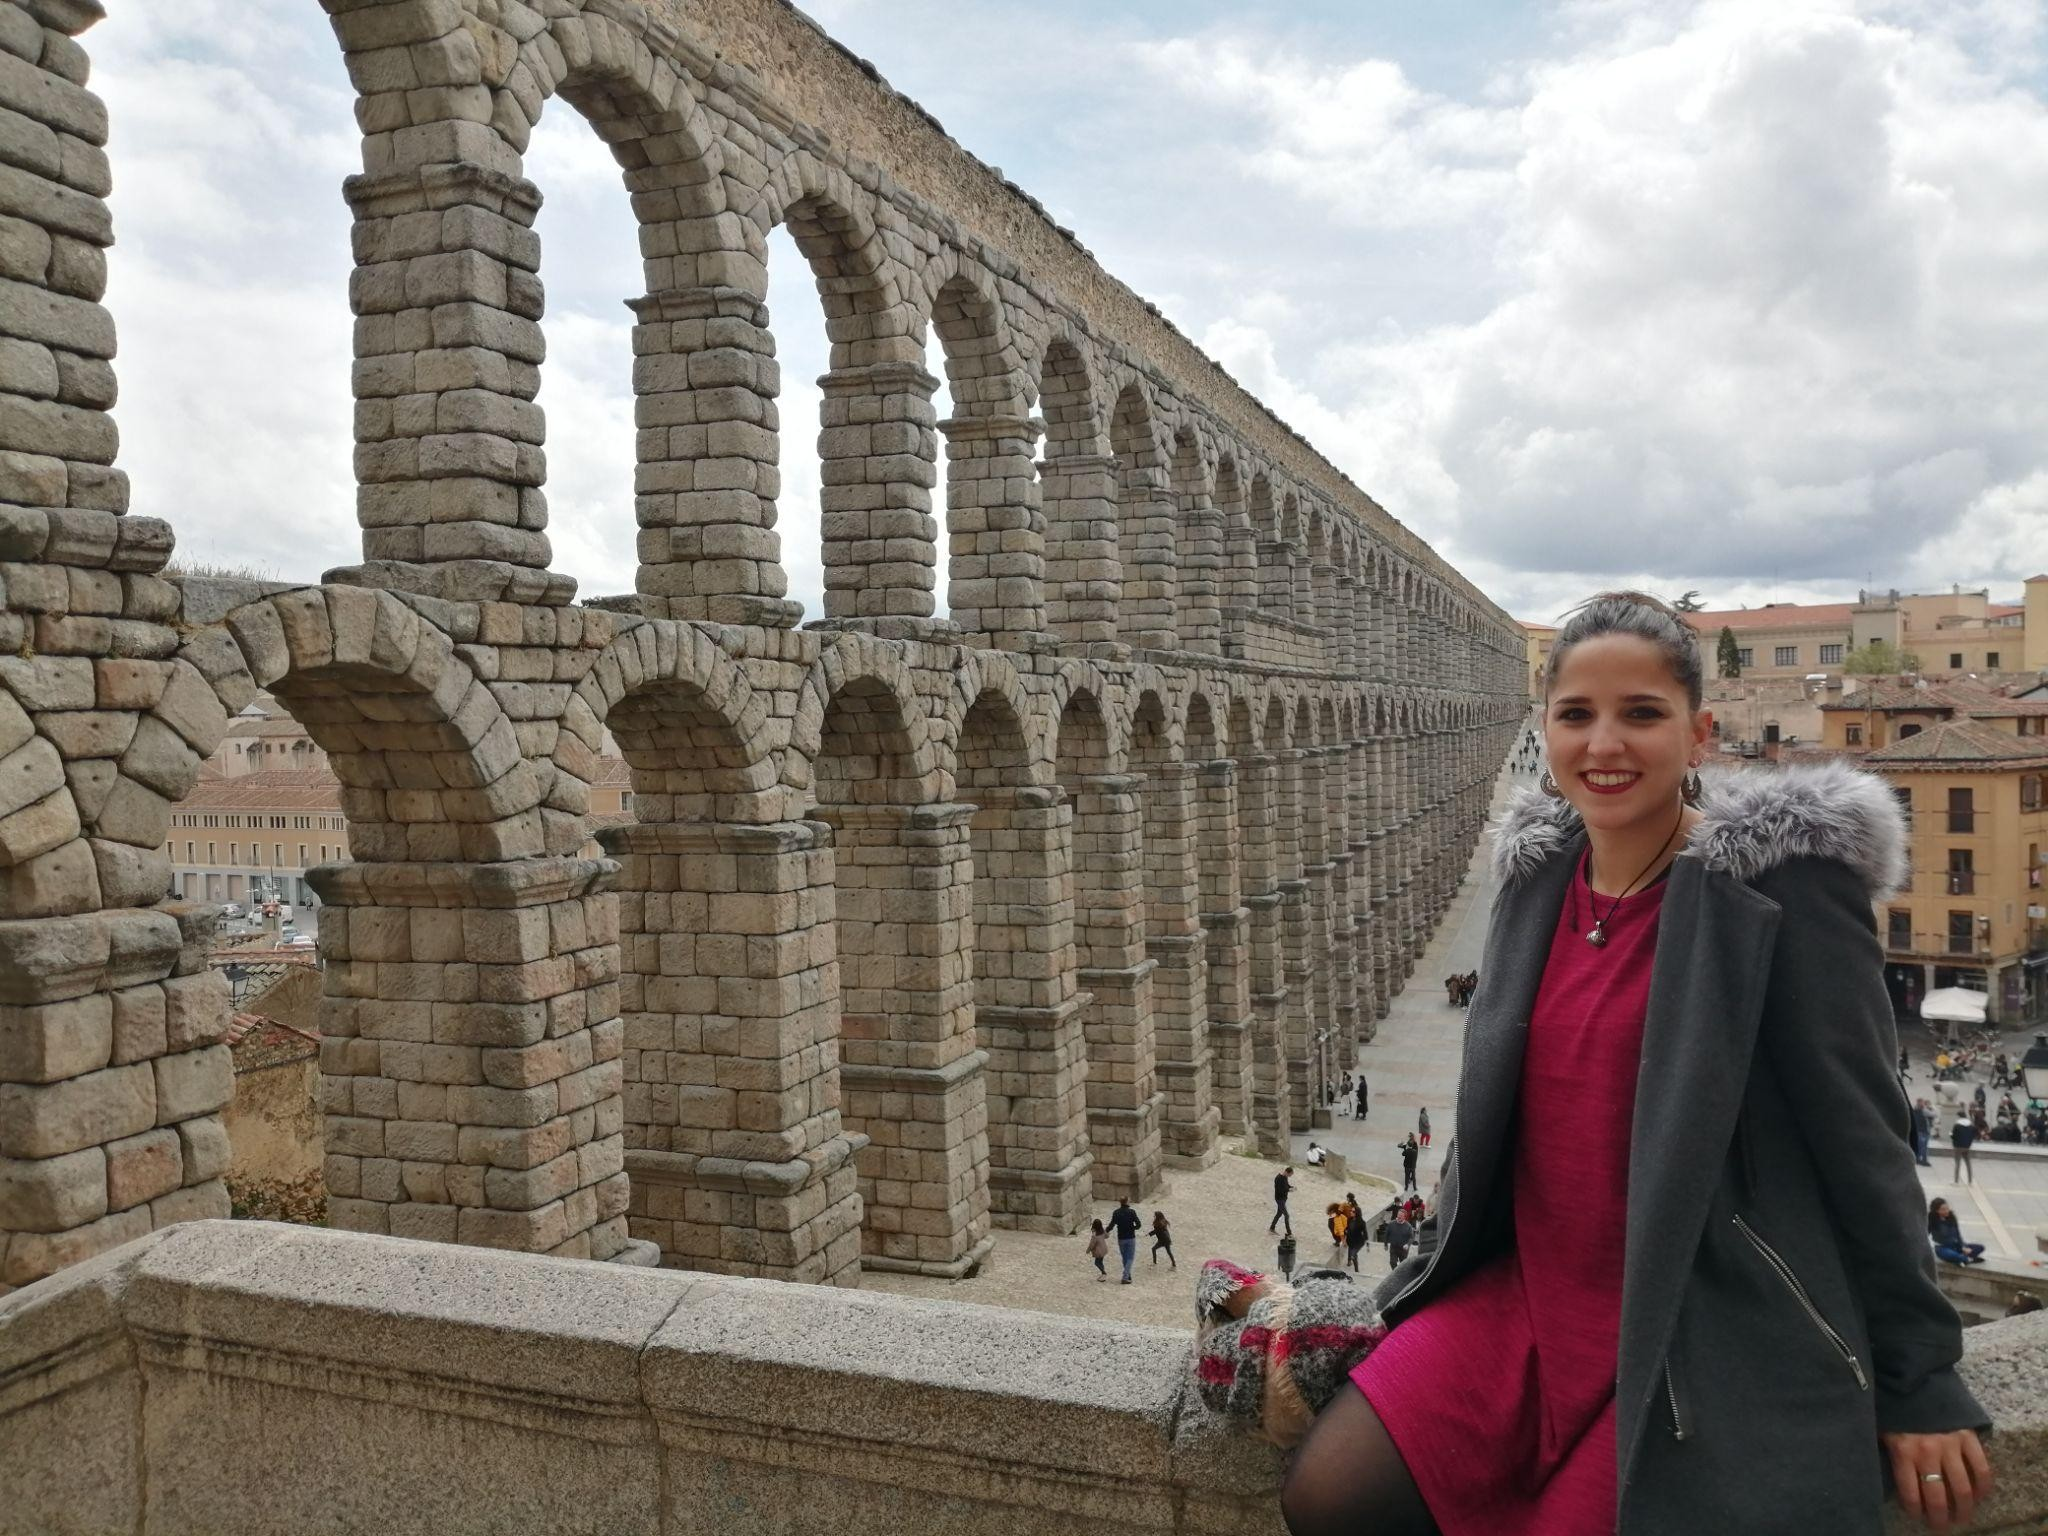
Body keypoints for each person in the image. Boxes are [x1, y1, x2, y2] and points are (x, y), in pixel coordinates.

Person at [1281, 592, 1989, 1536]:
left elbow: (1864, 1139)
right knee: (1329, 1495)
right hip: (1530, 1295)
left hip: (1697, 1320)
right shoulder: (1536, 882)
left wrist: (1921, 1377)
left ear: (1699, 735)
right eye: (1576, 715)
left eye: (1641, 714)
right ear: (1544, 729)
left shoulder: (1777, 897)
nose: (1604, 744)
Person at [1927, 1199, 1986, 1266]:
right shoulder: (1932, 1221)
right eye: (1943, 1209)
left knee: (1981, 1247)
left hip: (1956, 1246)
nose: (1946, 1211)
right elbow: (1925, 1235)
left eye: (1947, 1208)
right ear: (1936, 1210)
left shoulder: (1951, 1218)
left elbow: (1958, 1235)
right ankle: (1967, 1259)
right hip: (1943, 1248)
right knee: (1953, 1255)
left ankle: (1963, 1260)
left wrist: (1963, 1247)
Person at [1105, 1197, 1142, 1284]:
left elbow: (1111, 1225)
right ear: (1127, 1202)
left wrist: (1106, 1231)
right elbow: (1139, 1225)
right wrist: (1132, 1228)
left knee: (1125, 1257)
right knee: (1130, 1258)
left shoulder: (1116, 1212)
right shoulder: (1132, 1212)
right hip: (1130, 1237)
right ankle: (1125, 1276)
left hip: (1121, 1238)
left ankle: (1128, 1275)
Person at [1344, 1195, 1369, 1273]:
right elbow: (1346, 1229)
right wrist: (1345, 1233)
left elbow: (1365, 1233)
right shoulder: (1349, 1220)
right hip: (1350, 1240)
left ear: (1357, 1213)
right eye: (1351, 1211)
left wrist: (1367, 1243)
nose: (1351, 1212)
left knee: (1353, 1255)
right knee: (1351, 1252)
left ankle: (1356, 1271)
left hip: (1359, 1242)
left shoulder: (1362, 1223)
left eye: (1353, 1211)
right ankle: (1351, 1263)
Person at [1909, 1097, 1934, 1167]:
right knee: (1924, 1147)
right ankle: (1924, 1161)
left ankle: (1917, 1159)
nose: (1923, 1103)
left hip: (1917, 1130)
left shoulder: (1914, 1110)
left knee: (1919, 1146)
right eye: (1923, 1102)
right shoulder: (1924, 1110)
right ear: (1921, 1103)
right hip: (1924, 1131)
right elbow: (1934, 1114)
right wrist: (1930, 1107)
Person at [1269, 1166, 1294, 1235]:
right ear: (1286, 1172)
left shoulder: (1285, 1177)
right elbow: (1280, 1190)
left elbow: (1286, 1185)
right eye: (1290, 1174)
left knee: (1279, 1214)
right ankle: (1289, 1232)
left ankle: (1272, 1228)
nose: (1289, 1176)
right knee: (1287, 1215)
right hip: (1279, 1199)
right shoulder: (1278, 1178)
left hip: (1283, 1199)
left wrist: (1291, 1187)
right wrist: (1289, 1190)